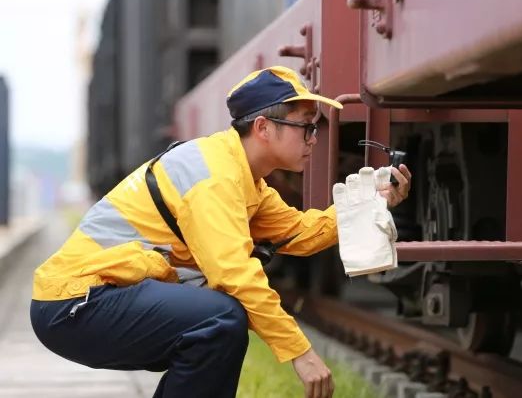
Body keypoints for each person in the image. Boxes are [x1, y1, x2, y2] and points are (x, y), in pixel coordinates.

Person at [30, 66, 412, 398]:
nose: (314, 138)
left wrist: (370, 204)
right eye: (306, 127)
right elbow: (234, 275)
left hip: (100, 298)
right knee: (219, 320)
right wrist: (301, 353)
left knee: (219, 327)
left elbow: (299, 233)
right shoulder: (214, 178)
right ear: (264, 127)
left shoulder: (248, 180)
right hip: (75, 305)